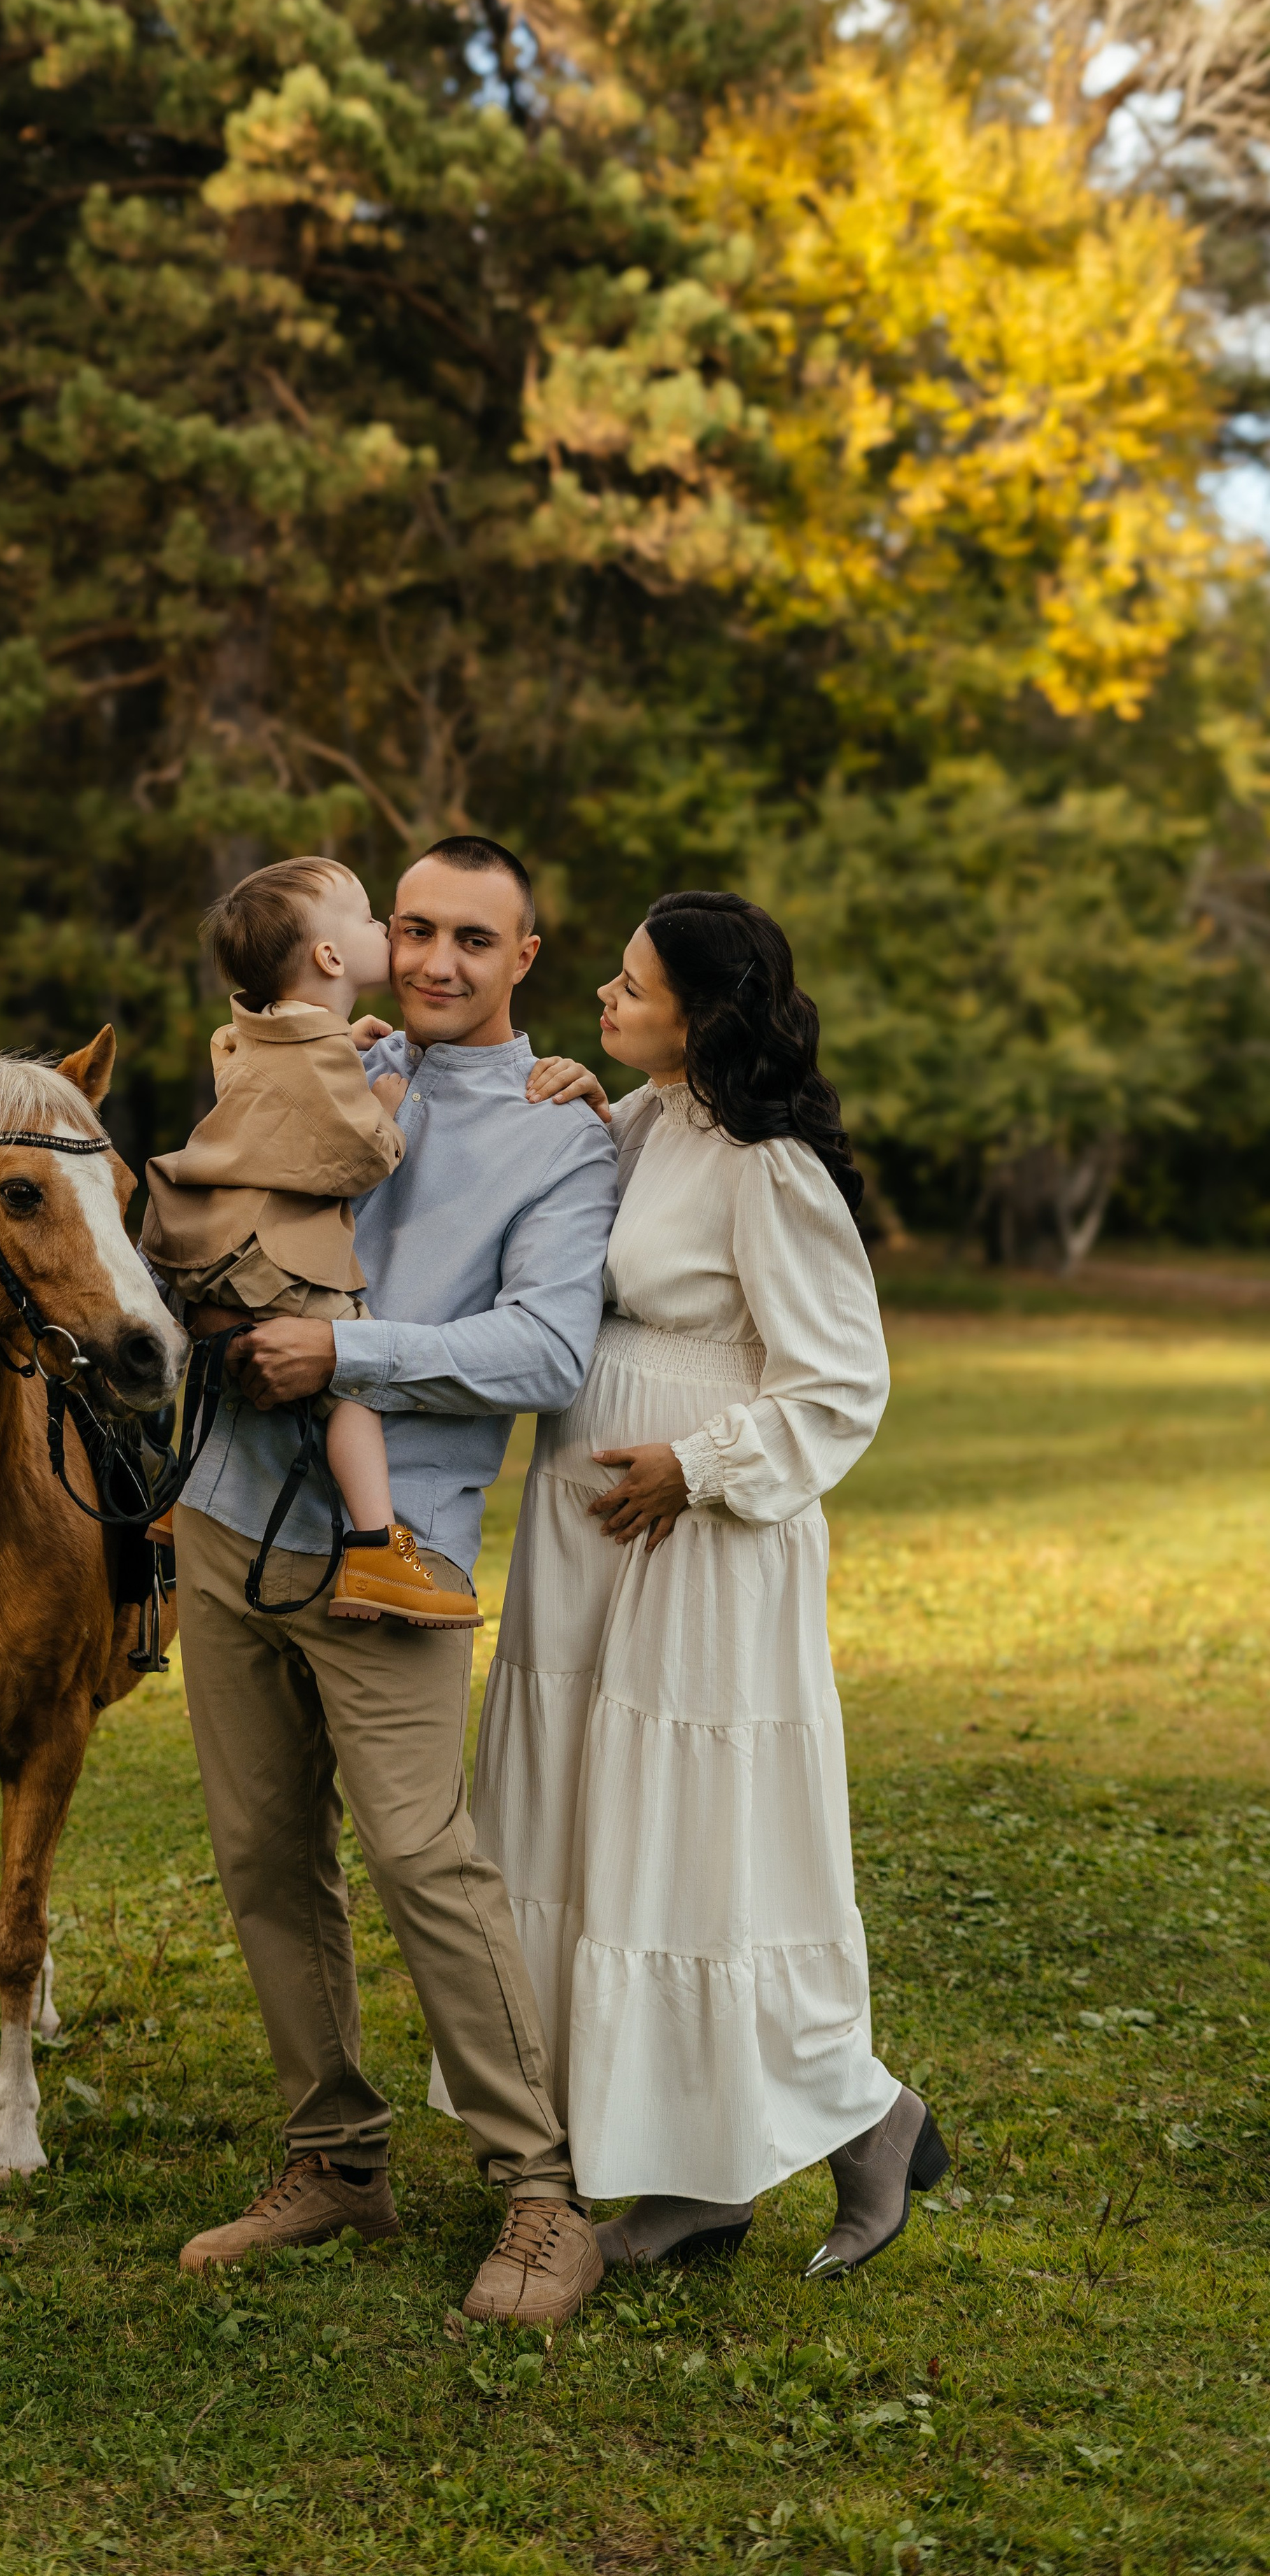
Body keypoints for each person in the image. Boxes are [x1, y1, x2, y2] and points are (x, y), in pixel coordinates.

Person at [169, 836, 619, 2326]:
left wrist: (346, 1353)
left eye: (470, 942)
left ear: (524, 959)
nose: (432, 961)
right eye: (411, 929)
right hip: (226, 1516)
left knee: (427, 1862)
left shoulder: (562, 1138)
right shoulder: (320, 1055)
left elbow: (547, 1354)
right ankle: (332, 2159)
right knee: (260, 1855)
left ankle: (539, 2195)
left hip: (392, 1551)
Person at [471, 891, 946, 2277]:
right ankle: (691, 2183)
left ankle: (860, 2116)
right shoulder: (632, 1121)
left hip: (698, 1542)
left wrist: (696, 1463)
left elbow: (841, 1382)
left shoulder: (764, 1162)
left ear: (699, 1016)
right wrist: (551, 1088)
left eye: (626, 990)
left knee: (689, 1852)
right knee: (601, 1845)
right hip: (589, 1544)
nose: (602, 1004)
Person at [141, 855, 477, 1627]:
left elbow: (265, 1081)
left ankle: (171, 1498)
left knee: (215, 1360)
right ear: (330, 958)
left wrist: (337, 1041)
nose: (383, 928)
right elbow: (353, 1160)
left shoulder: (255, 1029)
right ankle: (373, 1547)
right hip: (274, 1255)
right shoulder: (326, 1056)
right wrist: (383, 1111)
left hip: (203, 1241)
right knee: (347, 1373)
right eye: (367, 920)